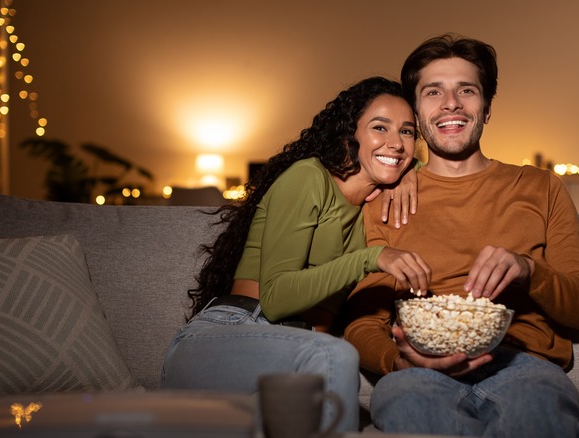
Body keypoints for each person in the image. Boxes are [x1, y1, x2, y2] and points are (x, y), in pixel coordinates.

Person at [344, 34, 579, 437]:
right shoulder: (383, 200)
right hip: (420, 371)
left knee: (539, 418)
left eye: (466, 90)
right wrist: (398, 363)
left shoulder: (540, 187)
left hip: (523, 365)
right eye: (433, 91)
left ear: (486, 108)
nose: (451, 103)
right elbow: (362, 319)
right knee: (411, 410)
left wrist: (529, 270)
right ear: (416, 113)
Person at [161, 76, 432, 433]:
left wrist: (413, 170)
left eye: (408, 132)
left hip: (291, 351)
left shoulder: (372, 207)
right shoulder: (309, 178)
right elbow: (275, 300)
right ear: (349, 133)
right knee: (334, 355)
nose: (396, 143)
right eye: (380, 127)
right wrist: (373, 257)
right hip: (226, 336)